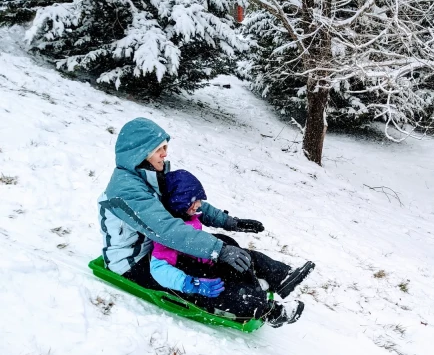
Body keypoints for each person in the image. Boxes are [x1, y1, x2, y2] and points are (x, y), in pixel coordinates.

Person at [98, 117, 266, 286]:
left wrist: (230, 222)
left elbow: (186, 203)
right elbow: (165, 228)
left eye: (165, 147)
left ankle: (267, 280)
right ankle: (253, 303)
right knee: (210, 273)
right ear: (140, 154)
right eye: (159, 150)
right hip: (132, 261)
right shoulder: (126, 191)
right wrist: (218, 250)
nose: (165, 154)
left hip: (158, 246)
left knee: (225, 243)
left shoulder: (151, 175)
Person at [149, 169, 315, 328]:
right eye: (195, 201)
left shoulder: (188, 214)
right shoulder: (166, 234)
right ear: (179, 202)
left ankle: (282, 277)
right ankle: (271, 312)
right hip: (201, 278)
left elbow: (208, 215)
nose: (199, 204)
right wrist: (192, 284)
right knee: (231, 292)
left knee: (243, 255)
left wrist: (234, 224)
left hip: (209, 260)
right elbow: (158, 268)